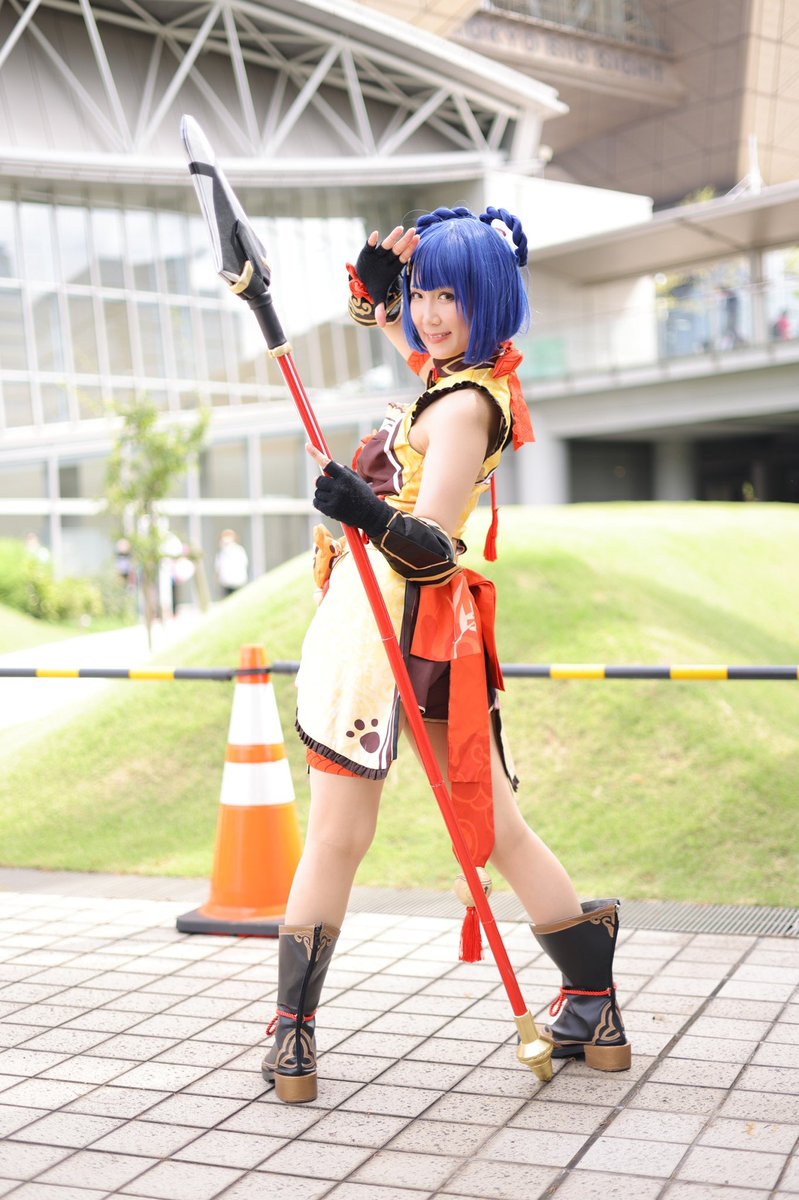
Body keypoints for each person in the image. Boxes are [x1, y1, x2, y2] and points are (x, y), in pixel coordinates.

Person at [261, 206, 631, 1104]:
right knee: (491, 828)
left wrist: (361, 508)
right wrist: (375, 299)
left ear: (487, 299)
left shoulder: (466, 405)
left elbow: (431, 546)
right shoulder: (462, 379)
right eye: (422, 293)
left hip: (392, 631)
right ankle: (593, 1009)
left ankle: (293, 1037)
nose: (428, 315)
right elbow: (404, 342)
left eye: (448, 298)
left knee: (345, 836)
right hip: (407, 632)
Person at [215, 529, 248, 597]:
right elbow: (218, 567)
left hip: (237, 581)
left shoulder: (238, 550)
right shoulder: (221, 553)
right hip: (226, 583)